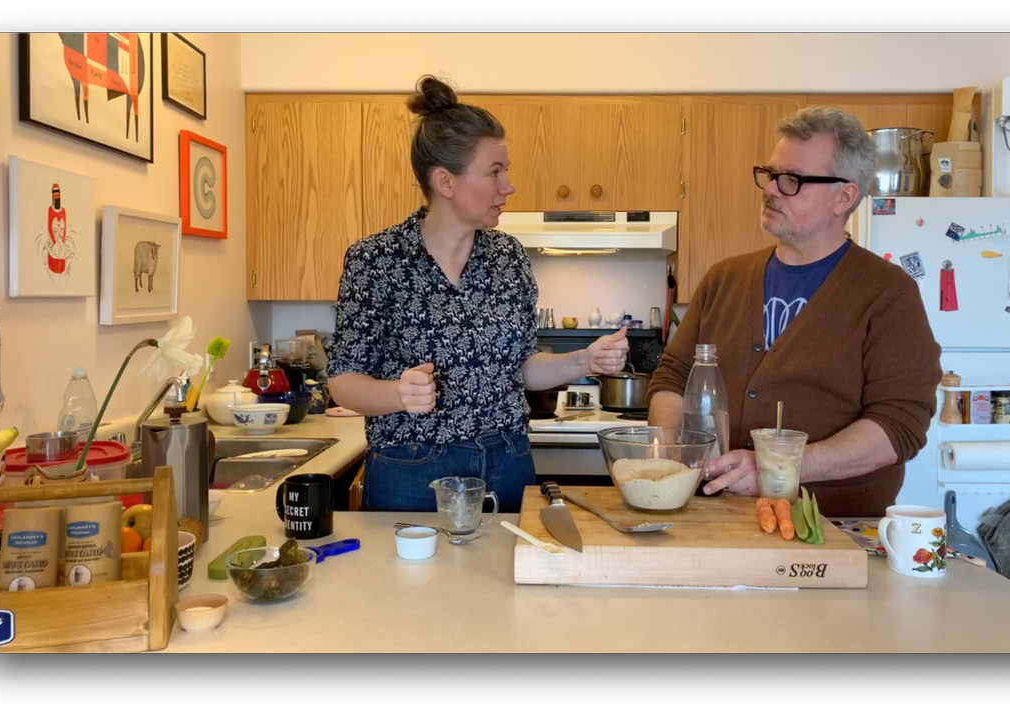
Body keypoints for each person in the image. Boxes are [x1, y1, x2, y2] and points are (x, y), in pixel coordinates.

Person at [327, 76, 629, 513]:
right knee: (406, 583)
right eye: (494, 172)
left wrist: (584, 360)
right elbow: (343, 382)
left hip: (507, 462)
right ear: (446, 182)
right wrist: (398, 394)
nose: (508, 186)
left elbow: (522, 366)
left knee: (504, 582)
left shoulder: (509, 256)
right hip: (412, 468)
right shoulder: (376, 259)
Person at [646, 107, 942, 518]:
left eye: (793, 180)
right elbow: (672, 378)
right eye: (770, 174)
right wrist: (673, 456)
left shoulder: (888, 293)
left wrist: (778, 467)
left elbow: (898, 427)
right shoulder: (724, 279)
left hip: (831, 528)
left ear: (844, 196)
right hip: (715, 518)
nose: (770, 189)